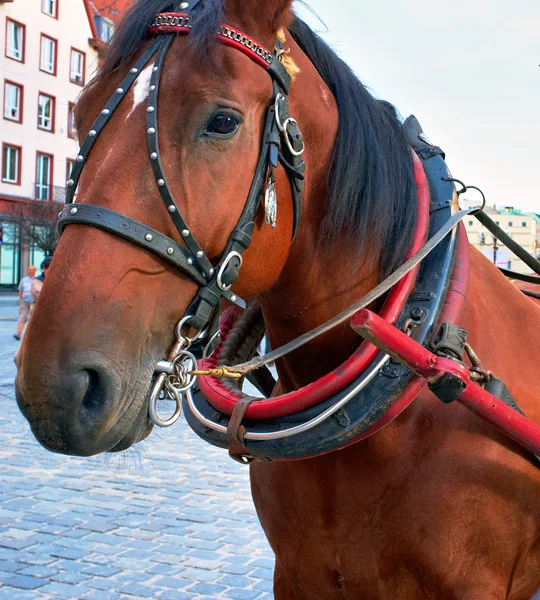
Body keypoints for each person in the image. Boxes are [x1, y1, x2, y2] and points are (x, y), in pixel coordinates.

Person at [14, 265, 36, 341]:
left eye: (32, 270)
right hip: (25, 301)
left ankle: (31, 335)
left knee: (33, 318)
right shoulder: (24, 280)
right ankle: (18, 333)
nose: (31, 271)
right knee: (22, 316)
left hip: (34, 302)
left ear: (35, 271)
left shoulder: (37, 280)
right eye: (29, 269)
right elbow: (20, 290)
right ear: (28, 271)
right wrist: (20, 299)